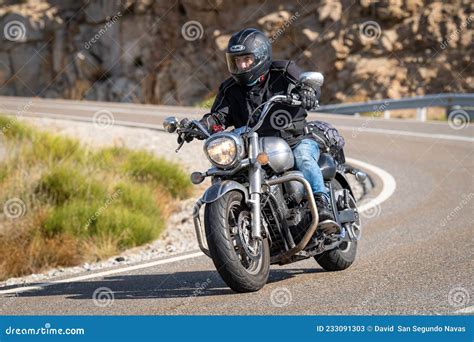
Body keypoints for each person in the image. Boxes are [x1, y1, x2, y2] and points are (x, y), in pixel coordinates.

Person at [197, 28, 334, 222]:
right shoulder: (230, 88)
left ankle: (322, 204)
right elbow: (219, 117)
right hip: (253, 148)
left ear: (260, 57)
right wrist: (201, 125)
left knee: (303, 158)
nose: (242, 65)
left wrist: (309, 93)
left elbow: (308, 87)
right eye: (237, 61)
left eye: (247, 59)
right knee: (229, 170)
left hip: (293, 140)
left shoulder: (283, 71)